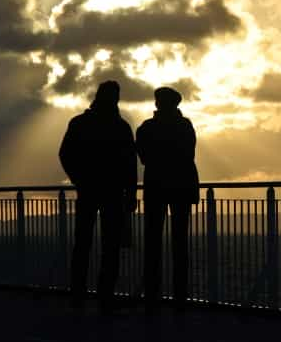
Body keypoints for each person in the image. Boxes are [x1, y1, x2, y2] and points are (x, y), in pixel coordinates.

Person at [59, 81, 137, 313]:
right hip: (112, 192)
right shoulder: (121, 127)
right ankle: (105, 297)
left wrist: (77, 178)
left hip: (88, 190)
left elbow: (65, 154)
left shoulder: (80, 123)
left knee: (83, 244)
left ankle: (78, 295)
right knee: (109, 246)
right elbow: (130, 165)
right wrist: (130, 193)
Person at [136, 87, 199, 313]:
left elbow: (143, 157)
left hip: (156, 188)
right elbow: (189, 154)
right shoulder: (185, 126)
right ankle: (180, 297)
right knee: (180, 244)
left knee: (152, 244)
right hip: (181, 187)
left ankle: (153, 297)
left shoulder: (146, 128)